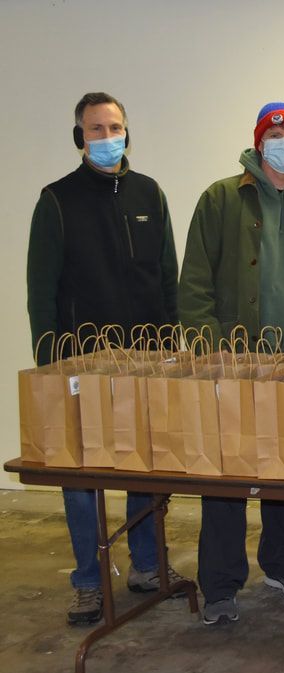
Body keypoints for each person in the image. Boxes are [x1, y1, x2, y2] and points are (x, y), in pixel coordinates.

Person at [26, 91, 186, 625]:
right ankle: (89, 582)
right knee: (79, 475)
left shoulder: (149, 193)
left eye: (114, 127)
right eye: (96, 128)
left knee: (146, 465)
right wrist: (49, 365)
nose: (107, 136)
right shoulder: (56, 201)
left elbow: (166, 277)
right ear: (80, 137)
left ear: (126, 132)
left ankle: (147, 565)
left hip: (146, 359)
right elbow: (41, 290)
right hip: (80, 365)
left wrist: (171, 346)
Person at [178, 102, 284, 625]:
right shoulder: (222, 198)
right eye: (275, 133)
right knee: (225, 472)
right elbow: (195, 279)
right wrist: (208, 349)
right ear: (258, 142)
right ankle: (221, 585)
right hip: (235, 360)